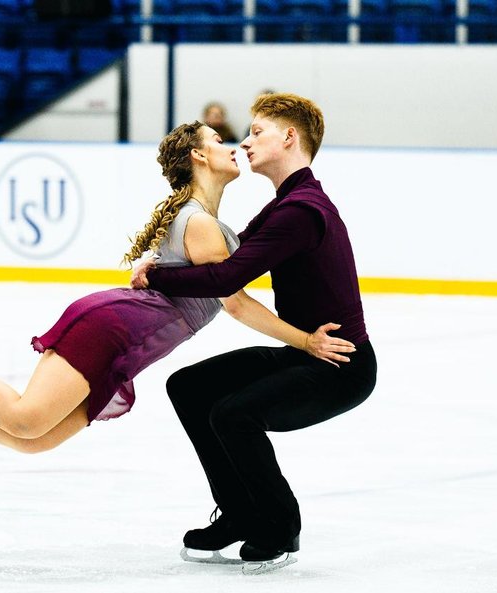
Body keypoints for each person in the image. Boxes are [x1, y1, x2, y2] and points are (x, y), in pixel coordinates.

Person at [0, 121, 355, 458]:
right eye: (219, 141)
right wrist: (304, 340)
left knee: (35, 441)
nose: (232, 146)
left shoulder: (207, 222)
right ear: (200, 157)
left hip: (130, 339)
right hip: (115, 329)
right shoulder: (201, 224)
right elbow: (237, 303)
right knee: (27, 421)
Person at [131, 92, 377, 568]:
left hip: (339, 364)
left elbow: (226, 278)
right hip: (306, 354)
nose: (245, 142)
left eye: (257, 131)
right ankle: (239, 514)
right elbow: (230, 258)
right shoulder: (287, 204)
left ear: (289, 137)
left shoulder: (300, 211)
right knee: (190, 386)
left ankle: (279, 529)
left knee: (233, 415)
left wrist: (155, 275)